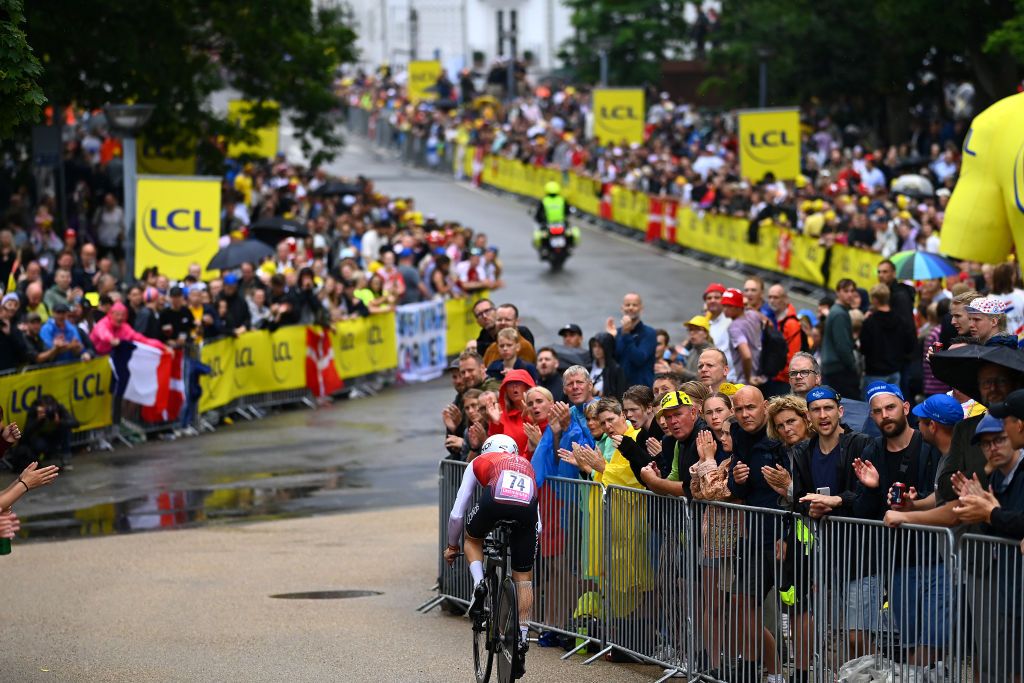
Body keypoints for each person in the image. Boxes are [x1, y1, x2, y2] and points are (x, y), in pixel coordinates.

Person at [852, 382, 946, 666]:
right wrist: (871, 488)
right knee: (909, 641)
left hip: (936, 557)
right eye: (878, 411)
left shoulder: (928, 445)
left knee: (932, 642)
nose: (885, 415)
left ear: (905, 408)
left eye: (890, 407)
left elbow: (945, 495)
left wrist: (917, 502)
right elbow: (864, 513)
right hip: (898, 562)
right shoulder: (872, 450)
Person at [444, 434, 537, 675]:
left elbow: (457, 513)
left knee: (472, 538)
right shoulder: (526, 463)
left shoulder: (479, 461)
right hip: (526, 512)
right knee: (523, 577)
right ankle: (524, 636)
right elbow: (538, 525)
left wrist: (452, 547)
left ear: (487, 449)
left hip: (493, 500)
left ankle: (479, 584)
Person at [725, 385, 786, 683]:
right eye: (739, 409)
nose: (745, 414)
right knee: (740, 602)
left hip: (784, 535)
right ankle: (764, 667)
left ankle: (781, 672)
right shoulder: (738, 435)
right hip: (754, 533)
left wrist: (786, 534)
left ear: (764, 407)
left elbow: (794, 490)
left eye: (751, 407)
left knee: (799, 612)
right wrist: (736, 481)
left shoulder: (780, 435)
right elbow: (739, 488)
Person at [859, 284, 916, 388]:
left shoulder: (869, 322)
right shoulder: (900, 321)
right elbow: (908, 344)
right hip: (895, 370)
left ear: (875, 300)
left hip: (874, 372)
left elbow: (864, 348)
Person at [821, 279, 860, 399]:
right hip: (838, 369)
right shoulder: (839, 314)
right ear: (838, 292)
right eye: (845, 291)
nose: (849, 294)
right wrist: (853, 366)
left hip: (833, 368)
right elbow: (842, 346)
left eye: (852, 291)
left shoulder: (838, 311)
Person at [766, 284, 806, 396]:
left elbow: (793, 357)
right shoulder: (772, 318)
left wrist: (778, 374)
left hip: (781, 381)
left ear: (785, 299)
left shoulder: (791, 323)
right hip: (772, 377)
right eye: (769, 297)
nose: (772, 301)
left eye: (776, 297)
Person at [722, 287, 764, 386]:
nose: (725, 310)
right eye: (724, 305)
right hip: (759, 375)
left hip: (744, 381)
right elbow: (768, 323)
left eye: (729, 306)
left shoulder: (734, 327)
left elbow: (747, 355)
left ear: (738, 306)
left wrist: (747, 378)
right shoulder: (753, 314)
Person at [588, 332, 626, 400]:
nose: (596, 349)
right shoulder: (589, 366)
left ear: (607, 348)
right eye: (594, 346)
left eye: (600, 346)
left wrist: (596, 392)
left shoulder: (615, 370)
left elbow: (619, 398)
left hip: (604, 408)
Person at [703, 283, 730, 351]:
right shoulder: (705, 323)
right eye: (709, 298)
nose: (712, 300)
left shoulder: (731, 321)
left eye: (717, 297)